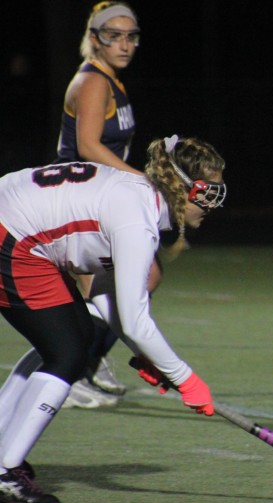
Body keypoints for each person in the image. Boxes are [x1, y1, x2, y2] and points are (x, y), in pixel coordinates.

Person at [0, 135, 227, 503]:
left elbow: (108, 299)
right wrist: (186, 378)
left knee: (72, 339)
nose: (212, 204)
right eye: (207, 193)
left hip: (19, 231)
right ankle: (6, 471)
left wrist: (153, 359)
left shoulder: (139, 199)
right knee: (68, 352)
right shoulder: (137, 220)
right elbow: (135, 321)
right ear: (182, 187)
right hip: (14, 236)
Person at [55, 1, 155, 408]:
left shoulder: (113, 79)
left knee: (139, 280)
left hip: (99, 197)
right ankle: (72, 370)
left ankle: (87, 362)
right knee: (123, 284)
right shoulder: (94, 82)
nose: (124, 44)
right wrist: (142, 181)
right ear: (94, 38)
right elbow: (88, 146)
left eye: (131, 36)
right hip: (78, 201)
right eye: (113, 35)